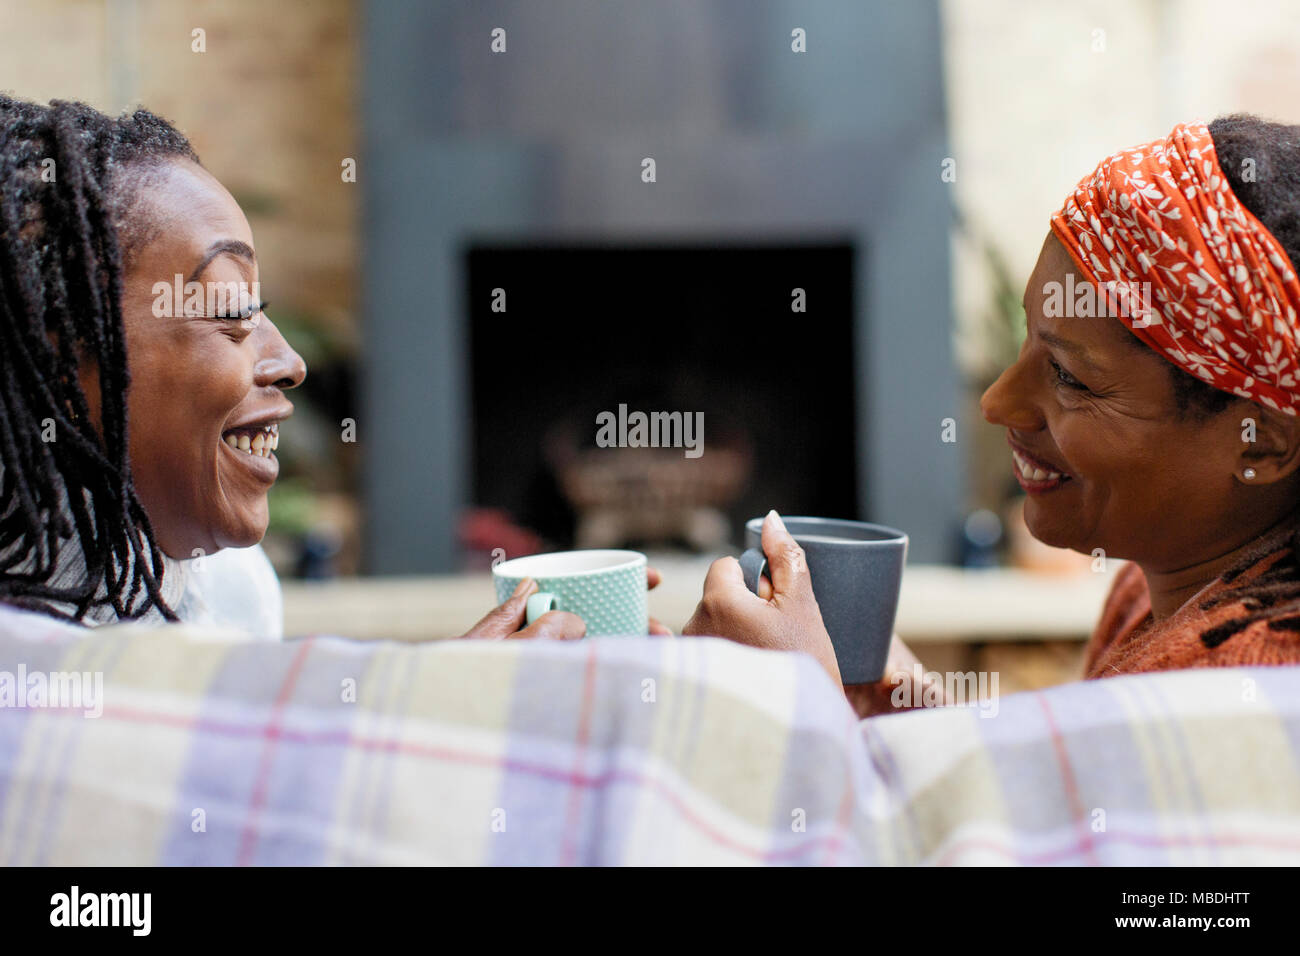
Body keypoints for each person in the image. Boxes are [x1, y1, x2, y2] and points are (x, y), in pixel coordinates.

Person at [688, 115, 1300, 715]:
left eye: (1069, 376)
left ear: (1262, 444)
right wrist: (916, 724)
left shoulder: (1246, 683)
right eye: (1029, 341)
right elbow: (1066, 813)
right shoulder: (1149, 590)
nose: (996, 402)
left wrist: (803, 705)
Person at [0, 95, 635, 640]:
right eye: (228, 309)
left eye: (263, 310)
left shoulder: (235, 590)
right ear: (52, 357)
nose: (289, 363)